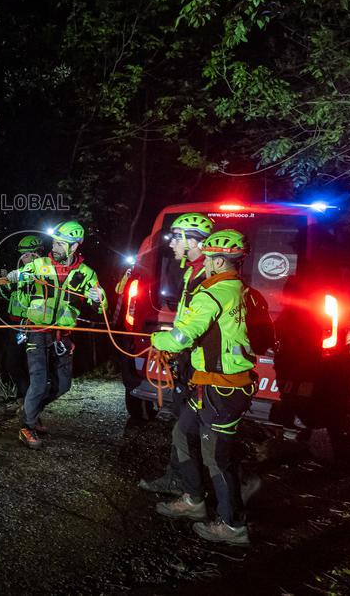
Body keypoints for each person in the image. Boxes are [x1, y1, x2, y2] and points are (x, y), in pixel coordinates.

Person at [151, 229, 255, 546]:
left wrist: (158, 339)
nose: (206, 264)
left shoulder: (212, 294)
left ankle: (232, 525)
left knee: (217, 458)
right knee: (183, 432)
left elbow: (183, 335)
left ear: (219, 260)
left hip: (222, 389)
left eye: (209, 258)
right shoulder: (241, 290)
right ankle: (194, 499)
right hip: (211, 385)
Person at [6, 220, 106, 449]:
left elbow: (101, 306)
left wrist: (98, 297)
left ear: (73, 247)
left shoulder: (86, 274)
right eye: (55, 242)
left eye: (61, 244)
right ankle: (27, 427)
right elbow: (21, 274)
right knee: (39, 380)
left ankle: (30, 410)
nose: (55, 247)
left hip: (62, 334)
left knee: (63, 385)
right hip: (37, 330)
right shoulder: (40, 264)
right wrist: (16, 276)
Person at [139, 213, 214, 492]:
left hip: (201, 365)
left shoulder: (207, 276)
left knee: (191, 428)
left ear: (192, 241)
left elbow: (194, 327)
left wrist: (167, 342)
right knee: (183, 423)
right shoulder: (192, 271)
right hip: (189, 360)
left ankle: (198, 487)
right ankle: (179, 477)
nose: (171, 245)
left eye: (175, 238)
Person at [0, 235, 43, 407]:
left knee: (27, 364)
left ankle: (30, 403)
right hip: (14, 325)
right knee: (12, 363)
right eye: (21, 254)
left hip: (30, 327)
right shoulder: (19, 272)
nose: (23, 257)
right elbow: (10, 295)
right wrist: (4, 283)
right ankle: (23, 397)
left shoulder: (41, 273)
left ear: (37, 253)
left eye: (27, 254)